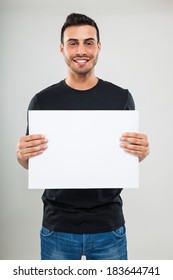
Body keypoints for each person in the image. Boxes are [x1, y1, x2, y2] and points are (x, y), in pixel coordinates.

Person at [16, 13, 149, 260]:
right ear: (62, 48)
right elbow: (30, 162)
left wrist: (140, 152)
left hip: (109, 227)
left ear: (98, 47)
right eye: (73, 43)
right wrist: (22, 156)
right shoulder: (43, 101)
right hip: (58, 227)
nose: (81, 50)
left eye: (88, 42)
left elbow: (126, 158)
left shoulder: (121, 97)